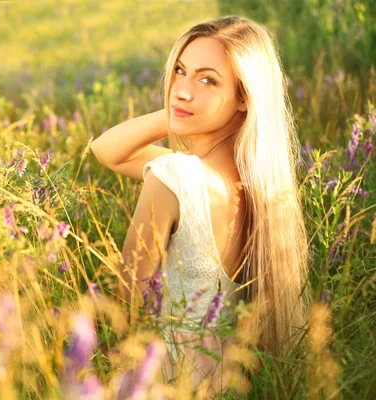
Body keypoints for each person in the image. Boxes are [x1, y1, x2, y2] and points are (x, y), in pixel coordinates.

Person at [91, 16, 311, 396]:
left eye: (208, 80)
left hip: (162, 384)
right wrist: (182, 110)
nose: (182, 90)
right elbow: (108, 151)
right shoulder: (262, 191)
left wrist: (179, 112)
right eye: (180, 71)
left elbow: (125, 307)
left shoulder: (173, 176)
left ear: (246, 98)